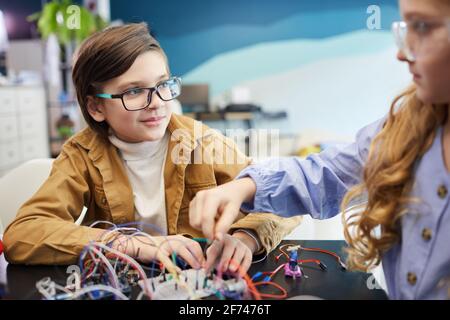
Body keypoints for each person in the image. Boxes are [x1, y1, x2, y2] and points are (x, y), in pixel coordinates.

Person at [189, 0, 450, 298]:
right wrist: (243, 188)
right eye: (405, 29)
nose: (402, 53)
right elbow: (330, 173)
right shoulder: (410, 125)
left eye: (422, 27)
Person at [3, 23, 300, 275]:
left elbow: (285, 201)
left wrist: (245, 237)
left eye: (163, 85)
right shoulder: (81, 154)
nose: (157, 102)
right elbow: (22, 235)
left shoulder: (202, 142)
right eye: (134, 91)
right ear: (95, 107)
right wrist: (133, 244)